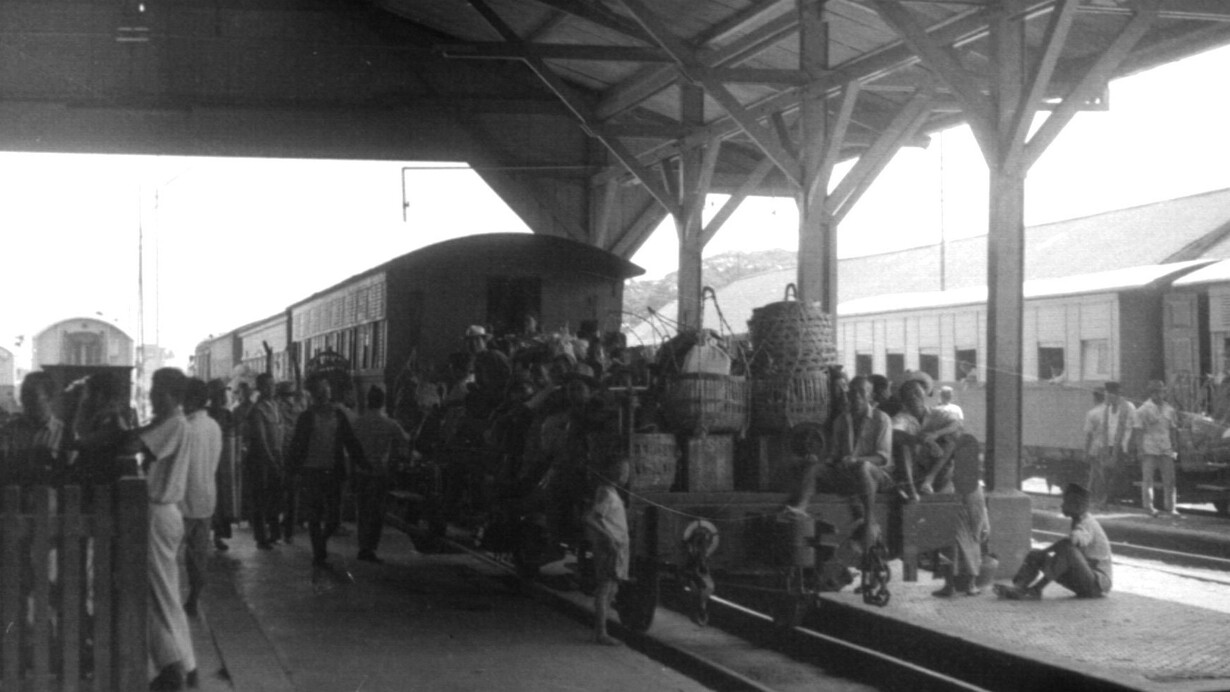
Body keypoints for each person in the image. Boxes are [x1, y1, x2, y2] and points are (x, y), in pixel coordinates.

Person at [783, 375, 894, 551]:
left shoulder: (882, 419)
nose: (856, 396)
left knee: (863, 467)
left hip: (877, 476)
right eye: (852, 392)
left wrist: (856, 460)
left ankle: (869, 521)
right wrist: (821, 460)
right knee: (816, 469)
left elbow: (882, 458)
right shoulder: (841, 420)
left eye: (861, 392)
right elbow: (834, 455)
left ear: (870, 397)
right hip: (849, 475)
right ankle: (800, 507)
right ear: (847, 395)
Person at [137, 368, 197, 691]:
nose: (150, 395)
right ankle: (184, 665)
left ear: (172, 394)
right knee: (165, 592)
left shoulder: (173, 423)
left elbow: (136, 444)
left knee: (162, 594)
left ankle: (178, 668)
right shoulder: (174, 422)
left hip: (158, 513)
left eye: (155, 390)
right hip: (165, 514)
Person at [286, 373, 368, 569]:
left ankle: (321, 544)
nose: (325, 392)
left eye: (327, 389)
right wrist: (292, 470)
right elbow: (297, 446)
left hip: (333, 471)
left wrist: (362, 461)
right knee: (315, 515)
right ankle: (318, 553)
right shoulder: (306, 417)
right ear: (314, 394)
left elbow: (350, 440)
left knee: (334, 517)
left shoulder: (338, 415)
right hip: (311, 471)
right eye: (321, 389)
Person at [995, 483, 1111, 600]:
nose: (1062, 505)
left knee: (1068, 549)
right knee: (1036, 554)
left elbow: (1073, 541)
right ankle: (1018, 588)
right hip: (1084, 579)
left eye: (1066, 502)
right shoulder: (1077, 520)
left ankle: (1037, 589)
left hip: (1097, 585)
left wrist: (1047, 551)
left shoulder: (1087, 523)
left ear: (1077, 505)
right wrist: (1043, 553)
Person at [351, 385, 410, 563]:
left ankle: (362, 546)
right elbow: (405, 441)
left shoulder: (358, 422)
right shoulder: (390, 423)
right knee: (376, 512)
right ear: (383, 401)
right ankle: (370, 548)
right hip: (379, 472)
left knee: (362, 511)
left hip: (361, 471)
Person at [181, 378, 222, 618]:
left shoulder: (187, 427)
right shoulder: (214, 426)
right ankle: (193, 599)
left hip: (184, 500)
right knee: (198, 556)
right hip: (207, 497)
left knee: (171, 555)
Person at [931, 435, 988, 597]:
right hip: (967, 508)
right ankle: (969, 586)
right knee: (971, 546)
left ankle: (951, 586)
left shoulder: (956, 470)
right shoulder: (971, 470)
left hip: (960, 509)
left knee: (953, 548)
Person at [584, 457, 630, 646]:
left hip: (615, 548)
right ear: (618, 474)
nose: (627, 475)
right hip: (609, 548)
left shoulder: (610, 492)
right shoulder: (607, 495)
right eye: (625, 472)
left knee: (611, 589)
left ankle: (602, 631)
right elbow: (590, 518)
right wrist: (609, 537)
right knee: (605, 589)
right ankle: (600, 633)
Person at [893, 378, 963, 496]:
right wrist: (925, 441)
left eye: (917, 392)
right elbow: (895, 433)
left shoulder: (937, 413)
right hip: (912, 471)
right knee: (902, 444)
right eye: (909, 393)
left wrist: (936, 434)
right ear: (903, 398)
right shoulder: (901, 418)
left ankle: (929, 480)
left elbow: (957, 424)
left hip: (936, 470)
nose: (914, 396)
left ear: (924, 394)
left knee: (954, 436)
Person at [0, 371, 68, 488]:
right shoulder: (8, 431)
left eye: (31, 395)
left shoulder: (64, 434)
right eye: (23, 394)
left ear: (49, 397)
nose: (25, 400)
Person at [245, 373, 284, 549]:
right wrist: (271, 460)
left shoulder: (274, 406)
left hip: (275, 455)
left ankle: (275, 533)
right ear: (260, 388)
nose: (271, 388)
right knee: (260, 498)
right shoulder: (257, 409)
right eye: (267, 385)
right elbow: (261, 439)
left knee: (274, 496)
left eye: (273, 384)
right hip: (260, 458)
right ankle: (261, 537)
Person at [1133, 380, 1180, 518]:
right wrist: (1140, 449)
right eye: (1157, 392)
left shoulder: (1169, 409)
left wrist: (1175, 446)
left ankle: (1171, 507)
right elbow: (1138, 431)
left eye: (1162, 392)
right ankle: (1149, 507)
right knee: (1148, 479)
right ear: (1151, 393)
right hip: (1149, 449)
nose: (1160, 395)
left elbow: (1172, 429)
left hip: (1166, 448)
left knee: (1170, 479)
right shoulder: (1143, 410)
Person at [206, 379, 238, 552]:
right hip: (208, 463)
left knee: (222, 501)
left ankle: (218, 535)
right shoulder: (206, 413)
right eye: (219, 393)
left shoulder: (227, 414)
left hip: (223, 464)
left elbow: (233, 435)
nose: (222, 396)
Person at [275, 380, 307, 544]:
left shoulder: (279, 408)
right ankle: (289, 529)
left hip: (283, 454)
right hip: (292, 454)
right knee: (291, 494)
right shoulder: (297, 408)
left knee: (285, 493)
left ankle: (287, 528)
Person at [1097, 381, 1136, 506]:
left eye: (1108, 395)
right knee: (1105, 472)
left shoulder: (1128, 407)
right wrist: (1104, 447)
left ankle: (1107, 499)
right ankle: (1109, 498)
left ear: (1115, 395)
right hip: (1107, 444)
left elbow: (1133, 427)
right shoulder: (1106, 408)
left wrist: (1130, 445)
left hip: (1121, 445)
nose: (1106, 398)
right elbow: (1103, 427)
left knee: (1116, 472)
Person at [1082, 386, 1109, 505]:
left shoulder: (1092, 413)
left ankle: (1100, 499)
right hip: (1108, 447)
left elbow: (1089, 435)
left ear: (1095, 397)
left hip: (1096, 448)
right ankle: (1089, 498)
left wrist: (1086, 452)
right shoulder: (1110, 411)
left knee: (1098, 474)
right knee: (1095, 474)